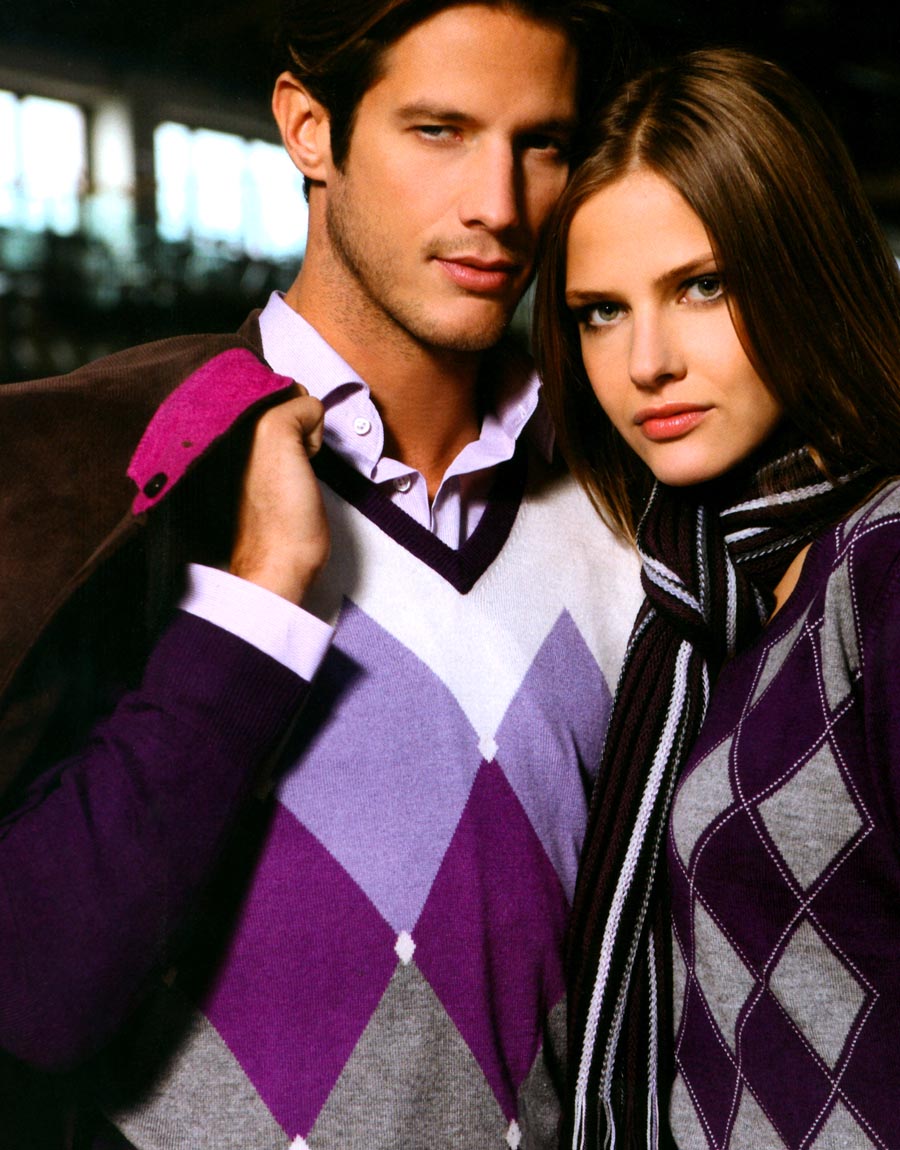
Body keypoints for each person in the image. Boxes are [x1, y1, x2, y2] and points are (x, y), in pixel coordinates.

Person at [0, 0, 644, 1146]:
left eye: (541, 143)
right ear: (309, 129)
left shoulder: (624, 500)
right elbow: (34, 988)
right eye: (439, 130)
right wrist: (254, 602)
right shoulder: (106, 473)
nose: (499, 205)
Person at [533, 46, 900, 1150]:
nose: (647, 361)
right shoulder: (703, 603)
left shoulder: (883, 563)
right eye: (602, 311)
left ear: (806, 271)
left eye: (703, 285)